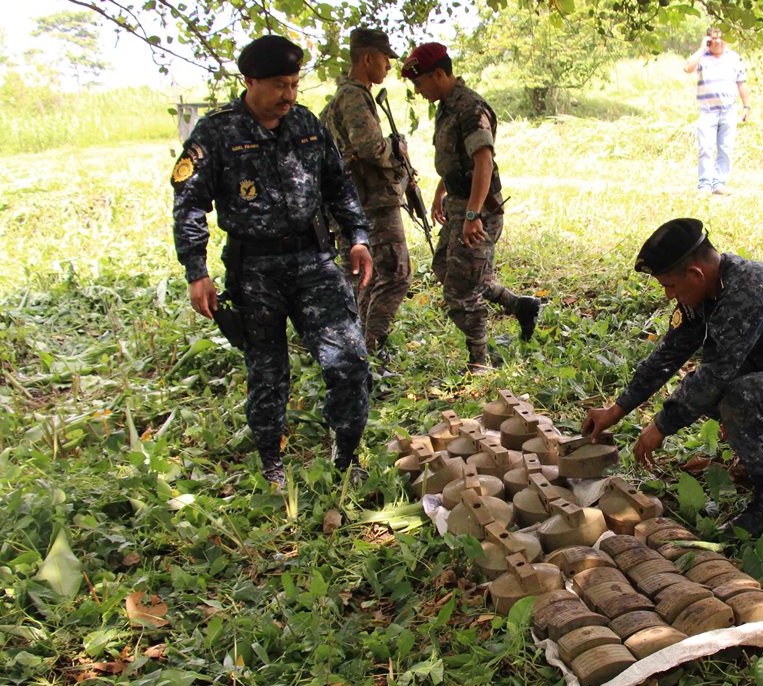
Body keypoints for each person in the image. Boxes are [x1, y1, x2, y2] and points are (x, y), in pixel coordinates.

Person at [171, 34, 374, 486]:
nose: (289, 95)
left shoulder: (306, 124)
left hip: (314, 260)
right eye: (280, 85)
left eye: (295, 85)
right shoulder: (216, 132)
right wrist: (197, 272)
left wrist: (358, 238)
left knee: (349, 361)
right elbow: (189, 204)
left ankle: (347, 457)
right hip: (254, 270)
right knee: (267, 372)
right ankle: (272, 462)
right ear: (250, 81)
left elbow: (339, 186)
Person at [582, 219, 763, 535]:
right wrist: (617, 409)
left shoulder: (748, 289)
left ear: (695, 274)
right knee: (719, 393)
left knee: (741, 396)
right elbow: (669, 354)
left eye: (671, 286)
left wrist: (661, 426)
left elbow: (715, 374)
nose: (668, 295)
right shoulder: (706, 291)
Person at [400, 42, 541, 374]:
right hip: (459, 204)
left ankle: (480, 361)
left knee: (460, 291)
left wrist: (473, 215)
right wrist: (440, 193)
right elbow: (457, 163)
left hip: (478, 211)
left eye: (420, 84)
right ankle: (520, 305)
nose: (418, 92)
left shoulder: (469, 108)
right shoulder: (447, 107)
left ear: (438, 74)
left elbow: (483, 163)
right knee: (446, 269)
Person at [320, 27, 411, 362]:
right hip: (370, 201)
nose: (388, 67)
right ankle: (371, 345)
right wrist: (396, 148)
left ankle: (357, 348)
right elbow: (370, 147)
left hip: (355, 202)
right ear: (368, 58)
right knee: (397, 273)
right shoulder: (355, 97)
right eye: (385, 59)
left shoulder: (342, 98)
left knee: (363, 277)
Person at [683, 27, 752, 196]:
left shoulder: (733, 58)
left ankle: (718, 184)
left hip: (728, 110)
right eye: (715, 38)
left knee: (725, 148)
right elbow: (687, 68)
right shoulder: (702, 57)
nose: (719, 41)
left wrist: (746, 106)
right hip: (707, 111)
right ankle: (705, 185)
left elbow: (741, 83)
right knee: (705, 148)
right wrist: (702, 49)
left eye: (722, 38)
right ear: (708, 39)